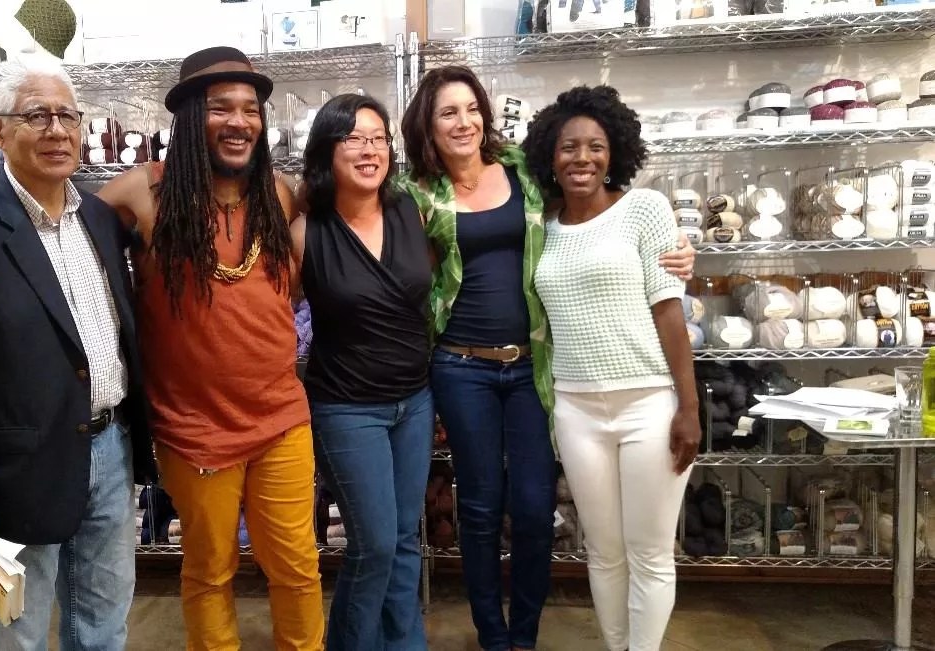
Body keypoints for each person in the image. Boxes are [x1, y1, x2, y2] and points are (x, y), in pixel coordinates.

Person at [0, 46, 324, 650]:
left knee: (298, 569)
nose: (239, 121)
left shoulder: (281, 194)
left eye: (251, 109)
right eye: (220, 107)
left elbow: (340, 221)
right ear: (190, 117)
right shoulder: (141, 193)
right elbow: (48, 215)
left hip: (280, 421)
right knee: (209, 572)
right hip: (194, 431)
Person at [397, 65, 694, 651]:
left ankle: (525, 636)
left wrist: (683, 250)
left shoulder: (523, 173)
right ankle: (493, 635)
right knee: (480, 507)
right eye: (447, 112)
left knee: (534, 508)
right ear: (427, 127)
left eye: (471, 108)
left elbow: (599, 218)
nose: (463, 122)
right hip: (461, 367)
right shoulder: (416, 194)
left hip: (531, 365)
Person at [0, 56, 155, 650]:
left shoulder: (99, 218)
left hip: (110, 451)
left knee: (103, 626)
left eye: (67, 116)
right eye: (36, 116)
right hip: (16, 471)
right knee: (14, 636)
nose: (57, 130)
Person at [524, 85, 701, 651]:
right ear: (550, 156)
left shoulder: (644, 209)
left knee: (649, 553)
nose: (582, 158)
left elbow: (669, 312)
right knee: (602, 552)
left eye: (596, 147)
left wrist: (690, 408)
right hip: (575, 407)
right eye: (569, 147)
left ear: (614, 152)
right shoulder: (542, 224)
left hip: (648, 402)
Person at [292, 93, 432, 649]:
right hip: (347, 407)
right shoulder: (306, 233)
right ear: (328, 150)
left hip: (415, 401)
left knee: (403, 539)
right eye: (353, 139)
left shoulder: (409, 210)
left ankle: (405, 644)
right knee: (374, 544)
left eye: (378, 138)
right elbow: (271, 315)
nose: (370, 150)